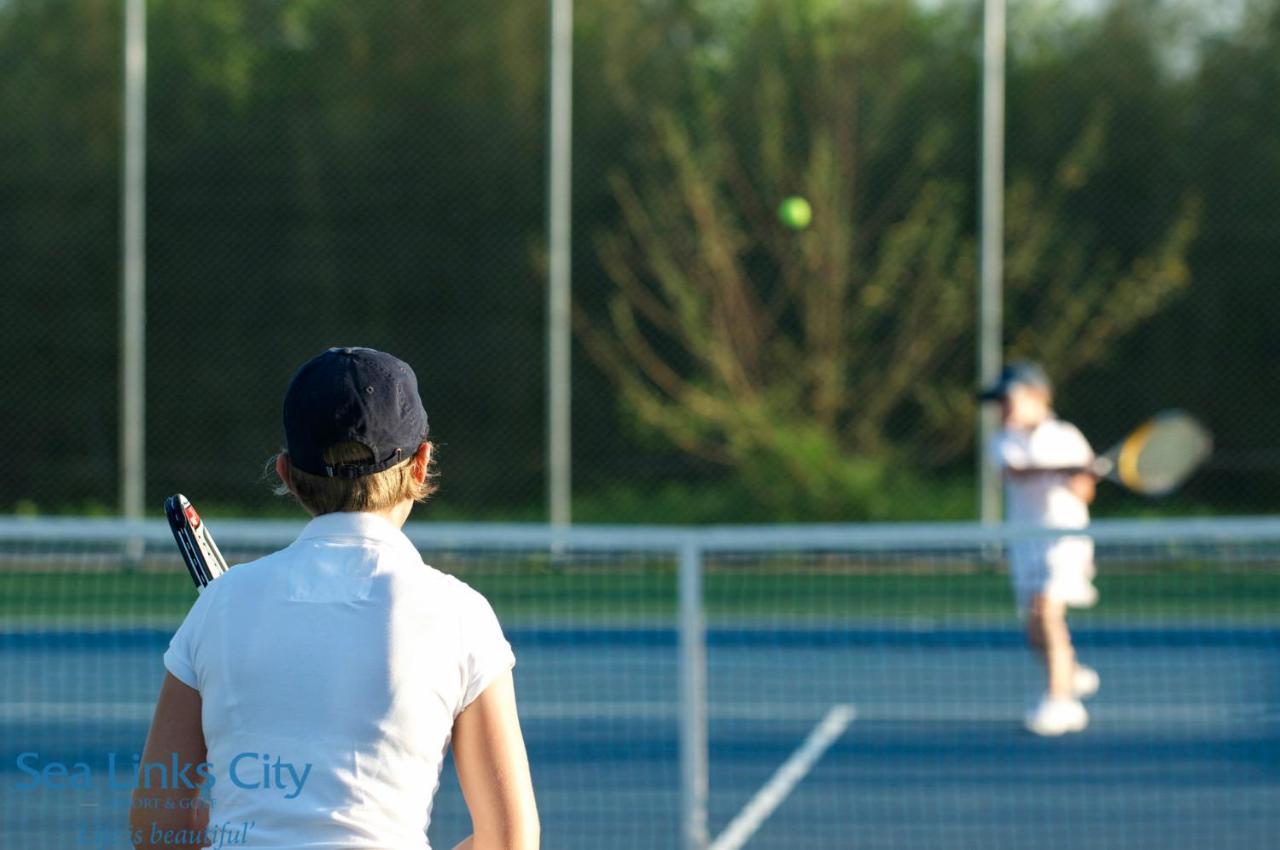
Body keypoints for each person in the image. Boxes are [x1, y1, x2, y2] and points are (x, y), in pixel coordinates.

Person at [130, 346, 539, 849]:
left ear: (285, 473)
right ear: (421, 465)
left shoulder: (220, 606)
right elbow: (510, 840)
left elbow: (156, 827)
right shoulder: (461, 614)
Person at [980, 361, 1100, 736]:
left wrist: (1080, 475)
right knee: (1034, 626)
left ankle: (1062, 703)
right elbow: (1013, 473)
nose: (1002, 408)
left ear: (1038, 396)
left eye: (1007, 399)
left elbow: (1085, 493)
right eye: (998, 402)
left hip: (1065, 541)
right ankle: (1069, 670)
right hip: (1024, 543)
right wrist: (1062, 468)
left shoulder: (1067, 436)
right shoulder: (1001, 440)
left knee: (1045, 610)